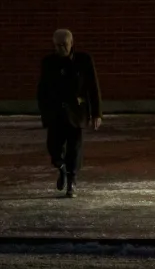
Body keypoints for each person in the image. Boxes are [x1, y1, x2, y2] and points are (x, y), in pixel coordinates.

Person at [36, 29, 102, 198]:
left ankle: (71, 181)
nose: (60, 48)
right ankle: (61, 167)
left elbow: (93, 88)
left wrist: (97, 113)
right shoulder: (48, 62)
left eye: (63, 44)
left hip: (76, 112)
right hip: (56, 112)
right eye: (57, 45)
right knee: (53, 146)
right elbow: (42, 89)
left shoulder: (83, 60)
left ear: (71, 43)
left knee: (75, 148)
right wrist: (44, 113)